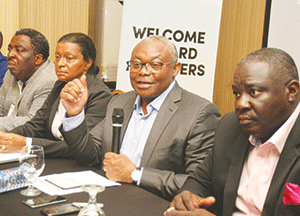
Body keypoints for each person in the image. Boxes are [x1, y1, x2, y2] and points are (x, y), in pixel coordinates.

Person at [59, 35, 221, 200]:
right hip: (109, 198)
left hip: (153, 204)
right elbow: (88, 157)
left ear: (176, 69)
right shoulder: (119, 102)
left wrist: (136, 175)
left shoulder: (199, 113)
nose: (143, 71)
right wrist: (75, 113)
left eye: (155, 65)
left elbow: (198, 185)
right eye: (136, 64)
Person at [165, 48, 300, 215]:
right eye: (237, 93)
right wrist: (188, 199)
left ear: (292, 91)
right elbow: (200, 181)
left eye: (253, 92)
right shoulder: (231, 126)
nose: (240, 104)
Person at [0, 33, 112, 157]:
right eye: (58, 57)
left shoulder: (100, 94)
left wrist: (27, 143)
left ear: (88, 63)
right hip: (51, 158)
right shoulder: (59, 85)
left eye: (69, 58)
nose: (60, 63)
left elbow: (82, 146)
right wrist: (6, 137)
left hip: (75, 164)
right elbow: (35, 126)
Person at [0, 28, 57, 132]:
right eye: (9, 49)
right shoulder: (11, 74)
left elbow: (33, 123)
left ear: (38, 59)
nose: (10, 55)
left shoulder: (48, 80)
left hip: (31, 142)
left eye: (19, 50)